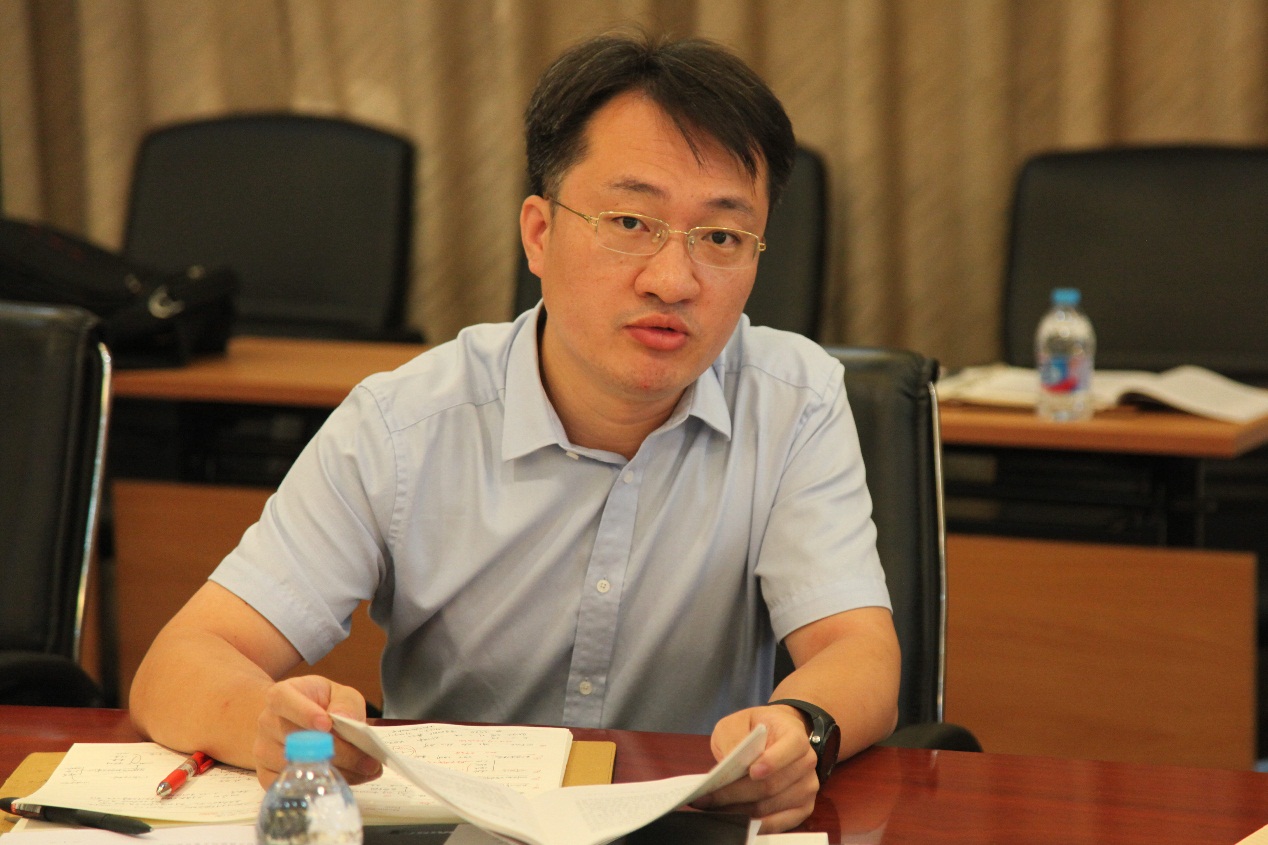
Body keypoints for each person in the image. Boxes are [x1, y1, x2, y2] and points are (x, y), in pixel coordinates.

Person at [130, 30, 900, 833]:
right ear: (539, 233)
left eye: (721, 237)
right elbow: (181, 661)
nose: (674, 280)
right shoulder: (404, 424)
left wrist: (801, 728)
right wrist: (265, 719)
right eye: (630, 221)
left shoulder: (795, 401)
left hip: (686, 825)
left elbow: (859, 650)